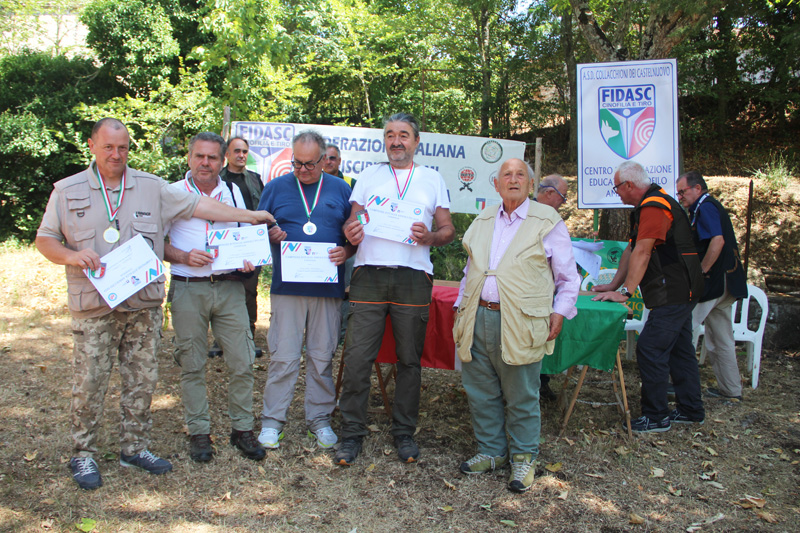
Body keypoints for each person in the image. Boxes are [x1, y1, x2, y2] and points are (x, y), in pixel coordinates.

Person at [36, 119, 274, 490]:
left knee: (142, 379)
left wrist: (251, 217)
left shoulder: (151, 187)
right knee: (90, 382)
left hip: (142, 303)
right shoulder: (67, 191)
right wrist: (71, 256)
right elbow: (45, 238)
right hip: (95, 303)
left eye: (123, 147)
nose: (116, 154)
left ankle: (135, 446)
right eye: (109, 147)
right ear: (92, 146)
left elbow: (201, 206)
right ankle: (83, 454)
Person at [335, 113, 455, 466]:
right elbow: (351, 220)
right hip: (369, 274)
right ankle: (351, 433)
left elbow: (447, 229)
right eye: (390, 135)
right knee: (357, 358)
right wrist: (351, 231)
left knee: (409, 360)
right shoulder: (369, 176)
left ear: (417, 142)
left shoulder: (432, 178)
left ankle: (404, 432)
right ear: (384, 141)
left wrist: (431, 237)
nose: (396, 141)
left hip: (413, 277)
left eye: (403, 135)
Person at [453, 158, 579, 493]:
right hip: (477, 316)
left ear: (531, 184)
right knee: (480, 390)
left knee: (522, 392)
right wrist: (460, 309)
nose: (512, 179)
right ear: (495, 184)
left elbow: (568, 276)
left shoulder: (546, 220)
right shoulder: (482, 220)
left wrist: (560, 311)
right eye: (506, 175)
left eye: (520, 174)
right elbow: (470, 272)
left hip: (521, 320)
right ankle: (492, 451)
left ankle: (524, 456)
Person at [164, 132, 267, 463]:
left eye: (212, 158)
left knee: (242, 360)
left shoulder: (233, 191)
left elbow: (242, 236)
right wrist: (181, 256)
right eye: (199, 156)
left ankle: (242, 429)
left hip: (229, 288)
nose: (205, 163)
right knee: (192, 364)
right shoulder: (172, 194)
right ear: (189, 158)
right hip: (188, 287)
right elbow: (156, 242)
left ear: (222, 161)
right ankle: (199, 433)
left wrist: (248, 257)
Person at [256, 131, 353, 450]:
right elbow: (256, 230)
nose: (302, 170)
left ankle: (320, 420)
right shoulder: (275, 188)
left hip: (327, 287)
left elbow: (352, 236)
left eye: (310, 164)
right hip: (288, 286)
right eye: (297, 163)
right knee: (283, 355)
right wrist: (269, 235)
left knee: (322, 355)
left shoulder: (341, 189)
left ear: (324, 160)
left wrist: (346, 252)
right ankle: (272, 421)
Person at [593, 161, 705, 432]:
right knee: (680, 349)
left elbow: (643, 252)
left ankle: (656, 417)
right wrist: (612, 286)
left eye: (617, 187)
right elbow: (631, 251)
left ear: (629, 185)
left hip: (675, 290)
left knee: (650, 348)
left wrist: (625, 293)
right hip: (679, 289)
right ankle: (691, 409)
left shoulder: (655, 205)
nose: (616, 193)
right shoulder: (645, 207)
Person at [676, 171, 747, 401]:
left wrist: (701, 273)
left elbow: (717, 241)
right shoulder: (706, 207)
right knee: (722, 338)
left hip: (715, 282)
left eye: (683, 192)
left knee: (681, 328)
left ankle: (680, 385)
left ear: (698, 188)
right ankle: (731, 390)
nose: (680, 197)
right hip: (730, 282)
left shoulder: (705, 207)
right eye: (678, 193)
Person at [209, 136, 265, 358]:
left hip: (251, 243)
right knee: (222, 291)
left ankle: (247, 339)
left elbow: (263, 208)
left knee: (250, 292)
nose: (241, 155)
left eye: (244, 151)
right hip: (224, 244)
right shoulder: (217, 179)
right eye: (237, 151)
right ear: (227, 155)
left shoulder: (255, 179)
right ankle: (220, 341)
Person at [534, 173, 570, 402]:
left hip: (544, 294)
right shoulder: (522, 214)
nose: (563, 203)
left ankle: (541, 383)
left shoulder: (552, 221)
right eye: (563, 198)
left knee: (543, 341)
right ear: (549, 193)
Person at [323, 143, 358, 343]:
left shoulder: (352, 183)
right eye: (325, 158)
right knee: (323, 293)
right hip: (323, 250)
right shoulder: (314, 183)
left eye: (333, 158)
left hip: (347, 248)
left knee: (346, 292)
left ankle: (343, 335)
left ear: (340, 161)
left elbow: (361, 214)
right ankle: (323, 335)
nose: (328, 162)